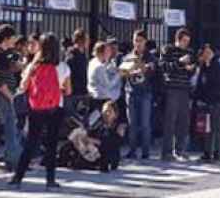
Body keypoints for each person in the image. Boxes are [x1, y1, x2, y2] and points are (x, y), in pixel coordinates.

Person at [10, 32, 72, 190]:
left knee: (31, 142)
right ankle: (50, 180)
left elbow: (23, 87)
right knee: (51, 144)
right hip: (55, 107)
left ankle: (18, 177)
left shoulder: (33, 66)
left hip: (36, 107)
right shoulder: (63, 67)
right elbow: (68, 91)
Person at [0, 25, 24, 171]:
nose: (15, 40)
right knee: (10, 127)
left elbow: (11, 67)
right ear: (6, 38)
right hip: (3, 95)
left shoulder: (0, 52)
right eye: (13, 37)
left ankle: (14, 158)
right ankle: (14, 162)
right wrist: (11, 96)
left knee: (11, 126)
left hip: (2, 94)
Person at [86, 40, 124, 171]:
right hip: (102, 98)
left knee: (97, 128)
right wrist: (118, 75)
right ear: (102, 52)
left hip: (94, 97)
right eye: (108, 51)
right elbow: (108, 84)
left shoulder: (93, 62)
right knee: (105, 131)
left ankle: (103, 157)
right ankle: (106, 158)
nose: (110, 54)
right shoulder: (99, 67)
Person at [158, 29, 196, 161]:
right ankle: (167, 152)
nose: (186, 44)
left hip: (185, 89)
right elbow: (163, 67)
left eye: (188, 41)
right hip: (172, 89)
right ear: (178, 39)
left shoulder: (190, 52)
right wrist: (179, 62)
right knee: (170, 121)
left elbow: (191, 71)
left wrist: (191, 69)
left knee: (183, 122)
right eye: (184, 41)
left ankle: (180, 150)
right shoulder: (168, 50)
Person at [121, 31, 157, 161]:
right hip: (130, 92)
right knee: (132, 123)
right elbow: (122, 73)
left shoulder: (150, 57)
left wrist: (141, 64)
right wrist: (127, 70)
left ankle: (145, 151)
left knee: (145, 123)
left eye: (140, 40)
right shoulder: (127, 57)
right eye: (136, 40)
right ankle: (132, 150)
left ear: (145, 42)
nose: (138, 43)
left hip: (145, 93)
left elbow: (151, 69)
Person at [192, 41, 220, 162]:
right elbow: (200, 84)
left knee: (217, 127)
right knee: (207, 128)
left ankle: (218, 153)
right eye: (205, 52)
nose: (207, 54)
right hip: (207, 101)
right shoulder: (204, 67)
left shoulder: (218, 66)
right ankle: (207, 152)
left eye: (209, 52)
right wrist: (198, 98)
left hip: (218, 101)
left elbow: (218, 85)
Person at [66, 29, 91, 105]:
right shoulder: (72, 55)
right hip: (75, 93)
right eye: (87, 39)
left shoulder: (83, 54)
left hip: (83, 91)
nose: (89, 41)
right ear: (81, 40)